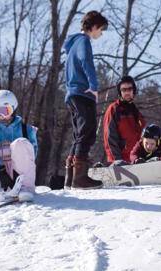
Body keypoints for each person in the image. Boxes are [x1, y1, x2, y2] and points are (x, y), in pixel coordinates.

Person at [62, 10, 108, 189]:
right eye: (101, 30)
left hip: (72, 94)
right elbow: (85, 60)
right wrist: (94, 86)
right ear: (94, 27)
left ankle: (70, 178)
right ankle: (79, 179)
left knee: (79, 134)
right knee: (87, 131)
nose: (101, 34)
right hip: (82, 93)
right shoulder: (83, 42)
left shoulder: (73, 43)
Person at [103, 75, 146, 164]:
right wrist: (117, 160)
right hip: (120, 162)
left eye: (129, 89)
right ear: (120, 92)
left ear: (133, 90)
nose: (127, 92)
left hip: (135, 161)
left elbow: (142, 138)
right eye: (124, 90)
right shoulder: (114, 109)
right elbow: (109, 137)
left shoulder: (136, 112)